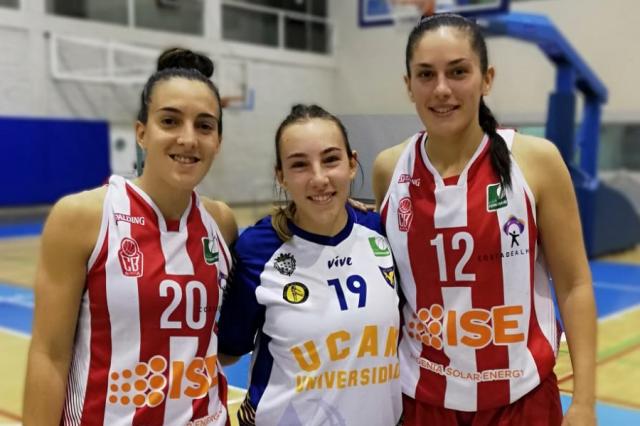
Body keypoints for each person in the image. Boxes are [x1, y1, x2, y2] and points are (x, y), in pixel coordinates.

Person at [372, 14, 597, 426]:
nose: (442, 88)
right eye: (426, 74)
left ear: (486, 78)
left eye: (458, 71)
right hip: (423, 400)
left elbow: (574, 284)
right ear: (409, 85)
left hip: (521, 399)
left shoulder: (536, 161)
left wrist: (584, 401)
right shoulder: (390, 168)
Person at [23, 48, 237, 425]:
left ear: (218, 141)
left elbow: (226, 344)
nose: (188, 139)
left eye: (204, 126)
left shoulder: (221, 222)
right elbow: (49, 355)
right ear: (141, 133)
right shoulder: (83, 217)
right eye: (170, 121)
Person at [217, 104, 402, 426]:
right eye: (300, 165)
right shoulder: (257, 251)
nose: (319, 178)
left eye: (331, 160)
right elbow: (229, 350)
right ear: (281, 176)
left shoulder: (382, 232)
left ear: (352, 164)